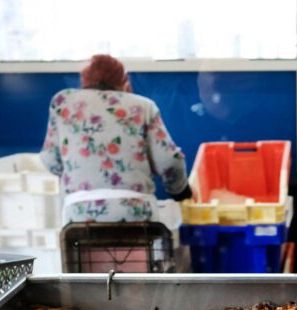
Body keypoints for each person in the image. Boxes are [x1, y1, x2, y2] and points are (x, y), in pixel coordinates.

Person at [40, 54, 192, 222]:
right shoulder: (143, 106)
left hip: (80, 214)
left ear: (83, 81)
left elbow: (50, 160)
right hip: (136, 213)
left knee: (78, 244)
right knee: (147, 243)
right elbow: (169, 160)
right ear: (125, 81)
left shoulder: (62, 101)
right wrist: (180, 191)